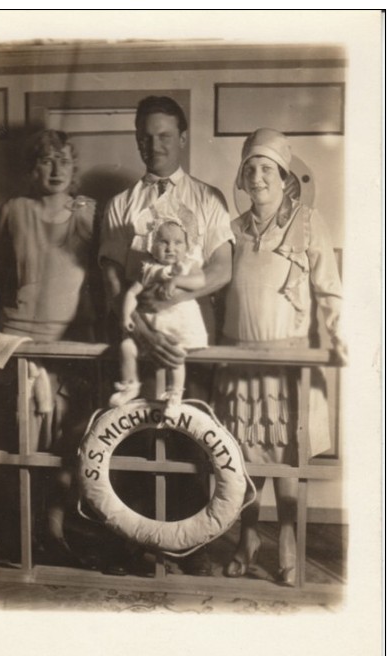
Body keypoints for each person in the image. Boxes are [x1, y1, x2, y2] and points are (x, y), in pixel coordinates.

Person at [99, 95, 234, 575]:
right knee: (134, 438)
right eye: (145, 136)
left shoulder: (208, 198)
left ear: (181, 138)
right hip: (139, 338)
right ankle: (135, 545)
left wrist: (173, 299)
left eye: (164, 135)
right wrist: (138, 326)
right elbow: (115, 281)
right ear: (137, 138)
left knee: (191, 439)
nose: (154, 145)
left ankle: (191, 549)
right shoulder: (120, 205)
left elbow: (221, 270)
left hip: (188, 341)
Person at [213, 128, 347, 586]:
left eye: (266, 168)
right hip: (238, 360)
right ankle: (248, 537)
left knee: (286, 454)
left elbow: (330, 291)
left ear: (284, 176)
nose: (257, 176)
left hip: (289, 363)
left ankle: (287, 540)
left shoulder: (309, 223)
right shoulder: (231, 230)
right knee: (243, 456)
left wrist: (337, 332)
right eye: (250, 168)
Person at [0, 128, 99, 567]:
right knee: (20, 441)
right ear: (34, 168)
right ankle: (20, 535)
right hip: (19, 339)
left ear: (74, 168)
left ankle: (54, 530)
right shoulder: (14, 210)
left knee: (67, 445)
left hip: (68, 347)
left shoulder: (88, 214)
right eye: (47, 160)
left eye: (64, 160)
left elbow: (104, 280)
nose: (56, 169)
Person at [109, 211, 208, 418]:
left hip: (177, 324)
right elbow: (131, 293)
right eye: (163, 242)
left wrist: (177, 281)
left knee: (176, 356)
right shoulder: (148, 269)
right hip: (149, 325)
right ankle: (130, 384)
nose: (170, 248)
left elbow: (200, 282)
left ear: (187, 246)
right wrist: (126, 316)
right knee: (126, 346)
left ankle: (174, 396)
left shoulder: (187, 266)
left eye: (178, 243)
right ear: (152, 246)